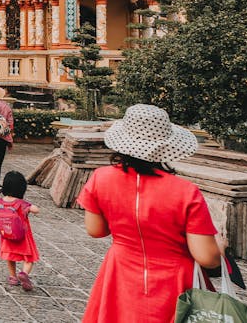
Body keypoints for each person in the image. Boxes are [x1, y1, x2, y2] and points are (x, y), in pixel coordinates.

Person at [77, 104, 222, 323]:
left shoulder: (100, 178)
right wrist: (222, 244)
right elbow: (207, 258)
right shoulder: (185, 191)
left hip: (121, 275)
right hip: (174, 281)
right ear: (165, 147)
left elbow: (96, 230)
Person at [0, 171, 40, 291]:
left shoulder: (0, 202)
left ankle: (13, 277)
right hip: (23, 237)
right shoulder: (21, 204)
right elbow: (36, 210)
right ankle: (24, 274)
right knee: (29, 258)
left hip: (7, 236)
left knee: (10, 256)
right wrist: (31, 207)